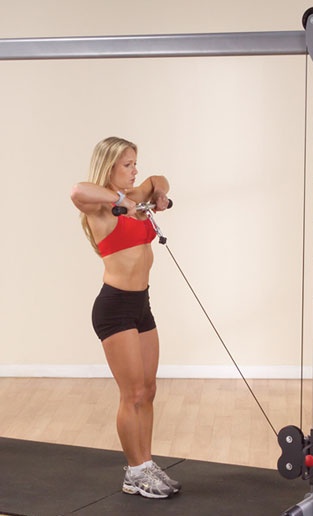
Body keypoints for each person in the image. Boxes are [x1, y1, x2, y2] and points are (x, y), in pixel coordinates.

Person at [70, 136, 181, 499]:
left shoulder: (137, 194)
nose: (135, 171)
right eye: (127, 165)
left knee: (148, 390)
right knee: (131, 393)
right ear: (110, 167)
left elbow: (160, 179)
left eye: (135, 163)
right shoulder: (101, 208)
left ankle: (146, 464)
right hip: (114, 308)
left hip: (141, 305)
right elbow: (77, 190)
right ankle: (134, 471)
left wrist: (159, 194)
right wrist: (119, 199)